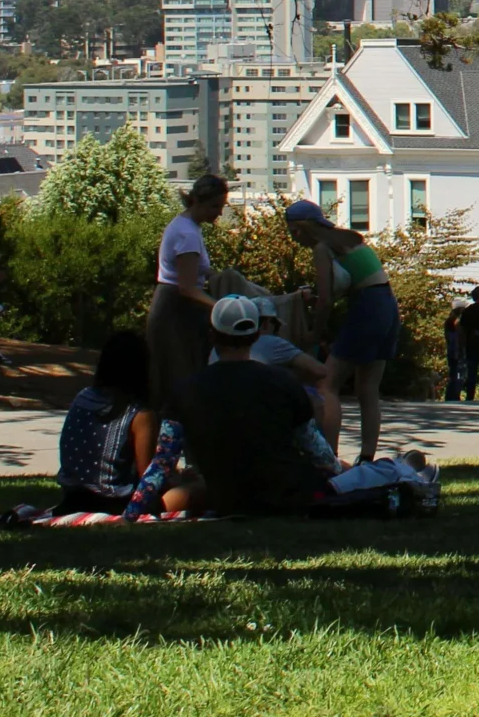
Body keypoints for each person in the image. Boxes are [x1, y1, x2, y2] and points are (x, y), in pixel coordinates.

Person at [172, 295, 333, 515]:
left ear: (212, 336)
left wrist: (132, 513)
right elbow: (317, 450)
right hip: (284, 496)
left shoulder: (186, 389)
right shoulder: (284, 381)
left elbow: (162, 460)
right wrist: (339, 472)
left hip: (224, 497)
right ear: (257, 335)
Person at [285, 198, 402, 466]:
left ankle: (328, 457)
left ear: (300, 229)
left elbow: (326, 300)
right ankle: (366, 457)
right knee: (368, 388)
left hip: (366, 309)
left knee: (326, 384)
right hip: (386, 305)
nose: (294, 240)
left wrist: (314, 332)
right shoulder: (349, 241)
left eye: (293, 233)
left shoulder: (322, 249)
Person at [147, 175, 229, 406]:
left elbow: (194, 272)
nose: (219, 213)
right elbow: (187, 288)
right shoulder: (188, 234)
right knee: (180, 379)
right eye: (215, 206)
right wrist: (222, 307)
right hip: (176, 312)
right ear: (197, 202)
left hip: (173, 306)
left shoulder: (186, 226)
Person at [56, 331, 157, 512]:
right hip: (116, 501)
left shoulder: (83, 397)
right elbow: (147, 481)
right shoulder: (138, 413)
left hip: (72, 498)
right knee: (196, 491)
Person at [233, 295, 343, 452]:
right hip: (258, 408)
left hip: (228, 407)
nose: (276, 331)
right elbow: (321, 371)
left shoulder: (224, 346)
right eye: (275, 326)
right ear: (266, 323)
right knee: (320, 397)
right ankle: (326, 455)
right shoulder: (272, 342)